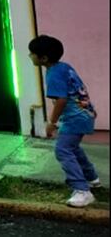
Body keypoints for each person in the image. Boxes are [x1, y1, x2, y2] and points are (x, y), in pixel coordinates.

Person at [28, 35, 101, 208]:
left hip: (75, 118)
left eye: (32, 53)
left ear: (43, 58)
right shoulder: (64, 67)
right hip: (84, 114)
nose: (29, 56)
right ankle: (91, 178)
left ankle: (82, 191)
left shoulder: (53, 74)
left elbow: (61, 100)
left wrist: (51, 123)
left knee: (62, 150)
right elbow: (78, 90)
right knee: (72, 148)